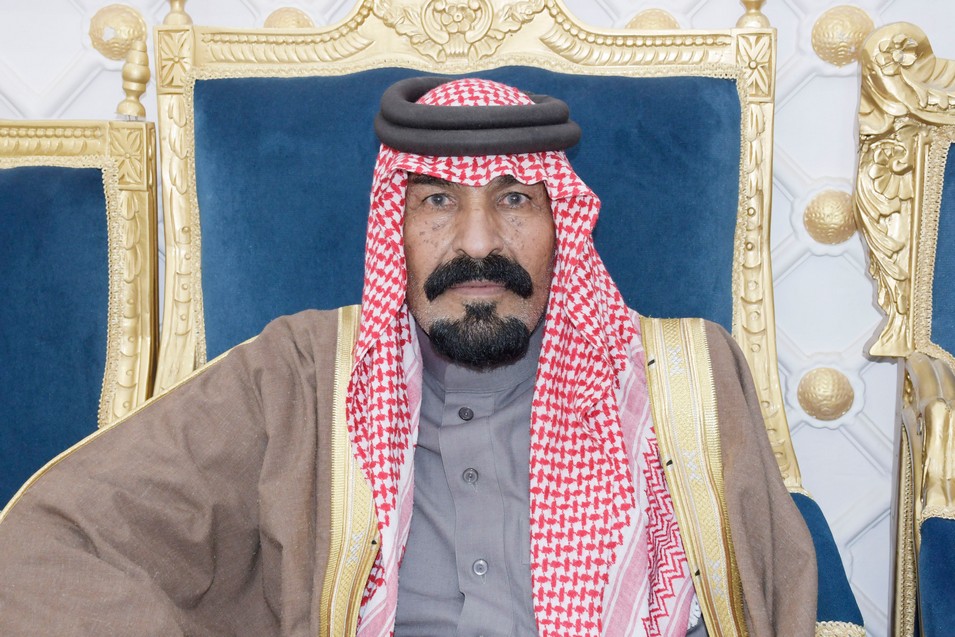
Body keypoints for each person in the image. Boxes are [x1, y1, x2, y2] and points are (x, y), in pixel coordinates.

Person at [0, 77, 816, 636]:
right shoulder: (297, 377)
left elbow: (777, 590)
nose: (477, 242)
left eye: (514, 198)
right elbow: (52, 538)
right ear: (393, 225)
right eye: (436, 200)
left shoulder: (684, 379)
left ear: (560, 222)